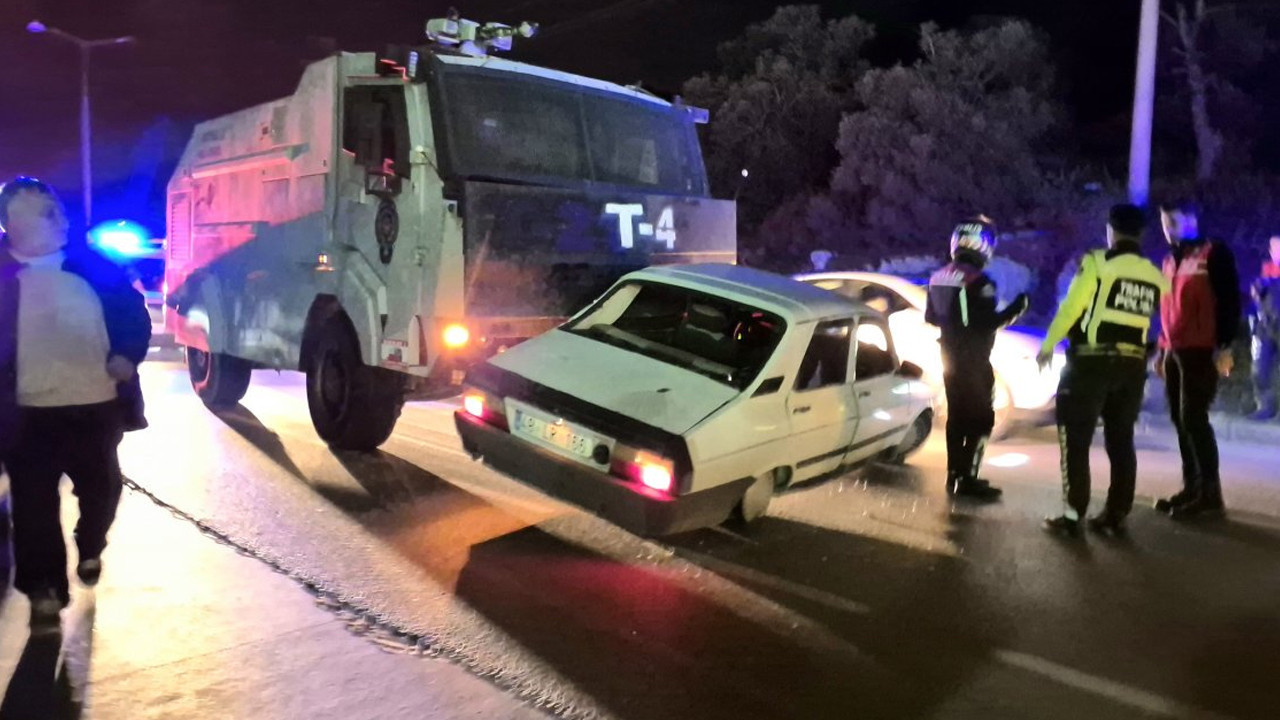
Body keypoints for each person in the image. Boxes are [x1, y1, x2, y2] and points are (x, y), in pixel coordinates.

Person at [0, 176, 151, 630]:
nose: (60, 217)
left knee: (102, 491)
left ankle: (90, 545)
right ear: (11, 220)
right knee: (32, 509)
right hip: (25, 416)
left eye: (58, 207)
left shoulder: (94, 266)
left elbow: (133, 314)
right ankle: (44, 590)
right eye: (46, 210)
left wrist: (126, 353)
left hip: (94, 406)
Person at [1038, 205, 1169, 537]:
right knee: (1121, 441)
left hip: (1091, 364)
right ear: (1140, 234)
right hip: (1131, 367)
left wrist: (1048, 344)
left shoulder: (1098, 262)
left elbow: (1072, 307)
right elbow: (1166, 320)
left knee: (1075, 439)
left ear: (1111, 231)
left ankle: (1073, 514)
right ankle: (1116, 513)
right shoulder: (1155, 275)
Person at [925, 216, 1029, 499]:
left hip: (948, 358)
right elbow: (985, 324)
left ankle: (953, 476)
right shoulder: (980, 281)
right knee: (982, 420)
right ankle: (968, 478)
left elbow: (932, 318)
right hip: (974, 360)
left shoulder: (938, 277)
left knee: (956, 419)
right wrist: (1018, 308)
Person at [1152, 198, 1241, 520]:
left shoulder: (1213, 254)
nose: (1168, 230)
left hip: (1202, 350)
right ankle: (1192, 487)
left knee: (1194, 418)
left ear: (1192, 221)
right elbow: (1166, 309)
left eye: (1174, 222)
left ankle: (1210, 495)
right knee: (1179, 419)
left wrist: (1226, 346)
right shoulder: (1169, 260)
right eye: (1164, 223)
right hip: (1175, 351)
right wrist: (1162, 350)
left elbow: (1230, 301)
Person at [1247, 235, 1280, 421]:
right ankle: (1264, 407)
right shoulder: (1265, 273)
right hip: (1266, 327)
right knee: (1261, 369)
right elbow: (1256, 297)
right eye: (1274, 248)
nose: (1277, 252)